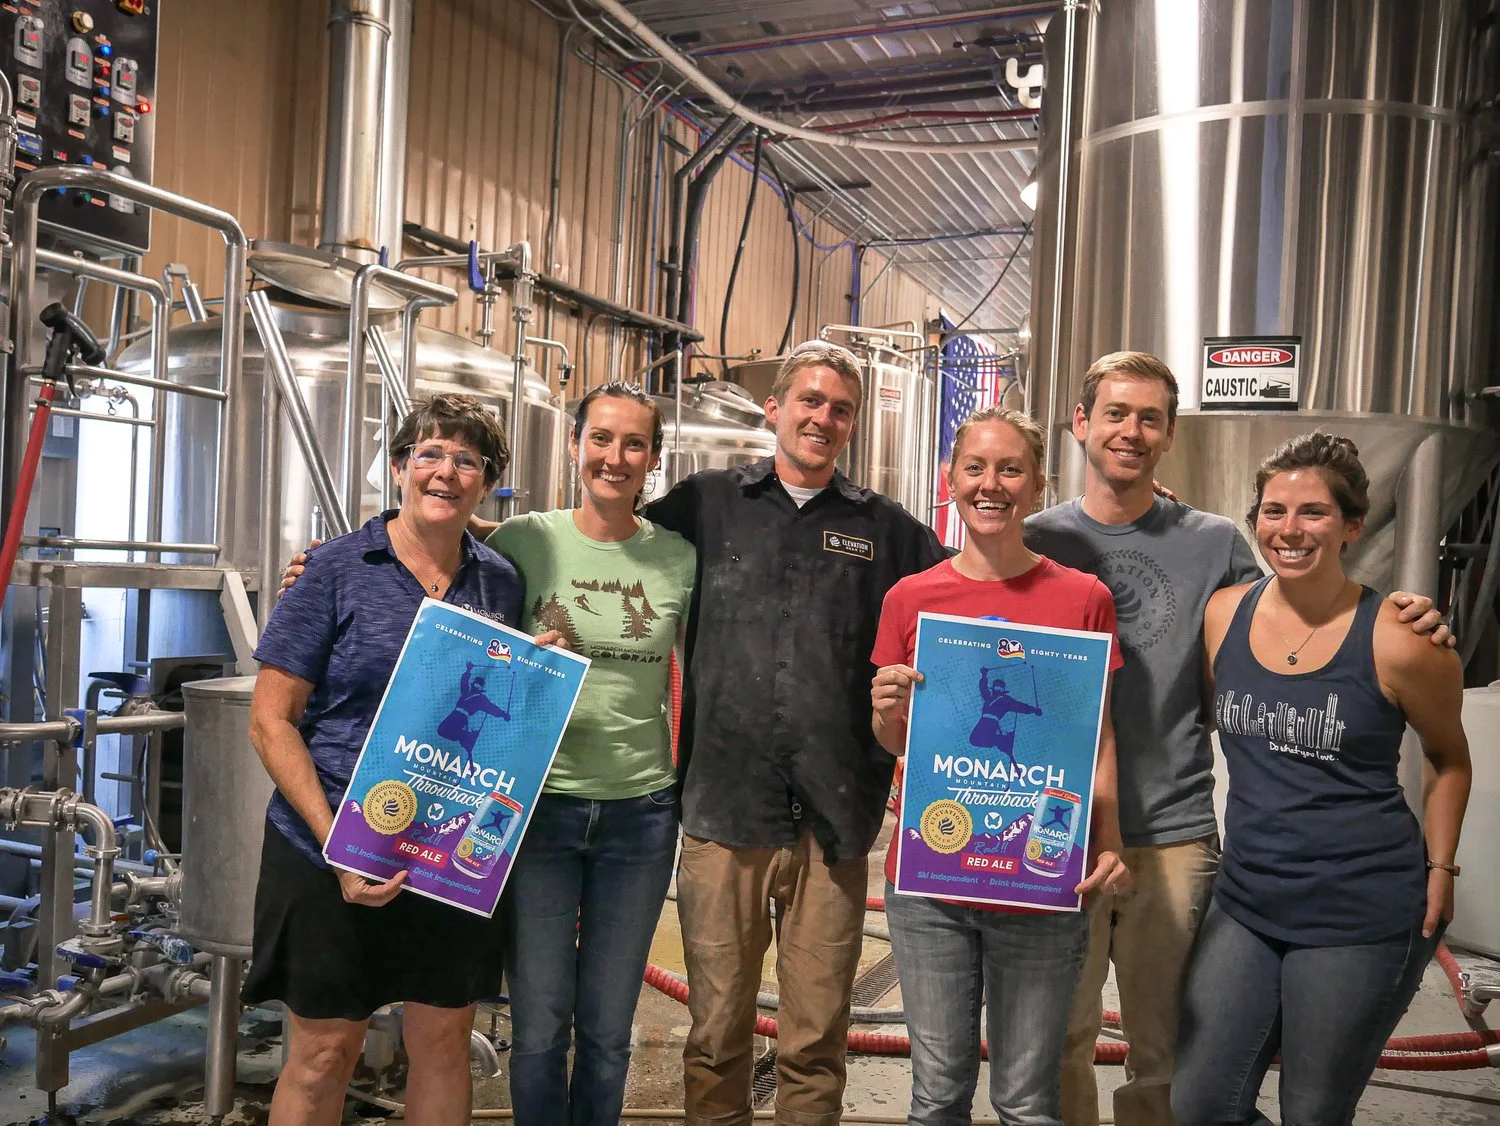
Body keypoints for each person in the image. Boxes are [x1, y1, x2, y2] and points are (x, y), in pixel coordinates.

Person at [1025, 352, 1453, 1126]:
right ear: (1080, 423)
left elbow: (1296, 611)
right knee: (1056, 1042)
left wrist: (1405, 612)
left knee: (1168, 1058)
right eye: (1115, 413)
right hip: (1056, 826)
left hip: (1176, 833)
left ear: (1170, 435)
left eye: (1150, 418)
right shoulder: (1032, 539)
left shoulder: (1214, 541)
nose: (1131, 431)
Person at [645, 340, 948, 1126]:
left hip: (835, 819)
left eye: (840, 409)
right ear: (774, 408)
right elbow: (609, 543)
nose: (823, 418)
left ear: (853, 424)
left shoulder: (888, 531)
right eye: (810, 401)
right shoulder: (707, 502)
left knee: (815, 1041)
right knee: (716, 1033)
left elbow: (970, 592)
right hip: (724, 809)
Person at [246, 395, 529, 1126]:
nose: (446, 472)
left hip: (448, 854)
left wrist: (536, 671)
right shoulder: (334, 569)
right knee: (323, 1055)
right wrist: (338, 843)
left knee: (442, 1044)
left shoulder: (500, 582)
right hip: (327, 849)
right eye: (429, 454)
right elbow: (271, 720)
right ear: (400, 467)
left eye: (467, 460)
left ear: (487, 481)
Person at [1171, 433, 1470, 1125]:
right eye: (1274, 511)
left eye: (1314, 512)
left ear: (1352, 526)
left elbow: (1449, 757)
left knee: (1312, 1113)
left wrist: (1441, 868)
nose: (1290, 529)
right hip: (1247, 899)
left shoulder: (1402, 639)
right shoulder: (1224, 615)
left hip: (1359, 909)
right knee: (1201, 1102)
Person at [870, 405, 1132, 1125]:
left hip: (1041, 882)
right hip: (932, 881)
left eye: (1010, 469)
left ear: (1037, 482)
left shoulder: (1084, 599)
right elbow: (896, 742)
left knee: (1026, 1102)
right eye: (976, 468)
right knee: (937, 1096)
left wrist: (1108, 841)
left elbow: (1098, 737)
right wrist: (886, 708)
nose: (991, 484)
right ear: (950, 479)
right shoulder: (910, 599)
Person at [474, 382, 695, 1126]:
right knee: (539, 1027)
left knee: (607, 1030)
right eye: (601, 439)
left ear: (653, 459)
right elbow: (432, 562)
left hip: (641, 812)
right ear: (575, 446)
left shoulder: (677, 559)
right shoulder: (523, 540)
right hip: (538, 806)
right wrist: (324, 561)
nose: (615, 457)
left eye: (634, 444)